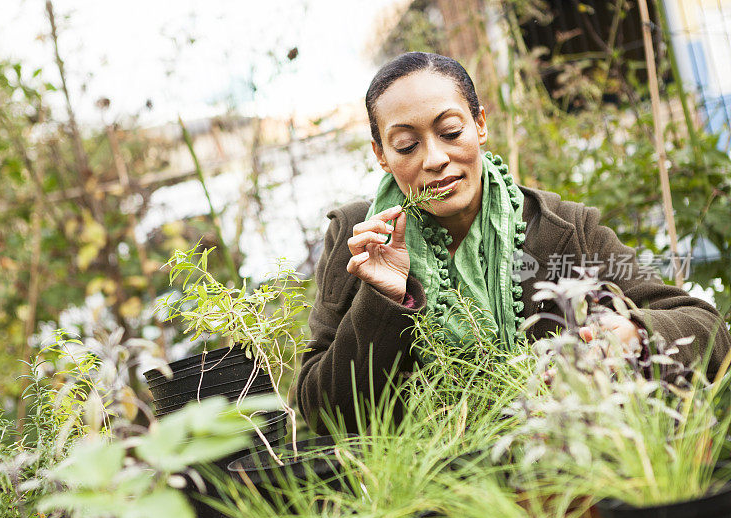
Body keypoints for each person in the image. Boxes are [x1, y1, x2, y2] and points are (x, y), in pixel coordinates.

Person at [296, 52, 731, 434]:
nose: (434, 159)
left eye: (450, 131)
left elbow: (707, 329)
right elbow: (320, 412)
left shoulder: (566, 229)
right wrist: (381, 297)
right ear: (381, 155)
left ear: (479, 124)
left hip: (564, 481)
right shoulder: (361, 236)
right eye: (407, 145)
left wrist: (635, 334)